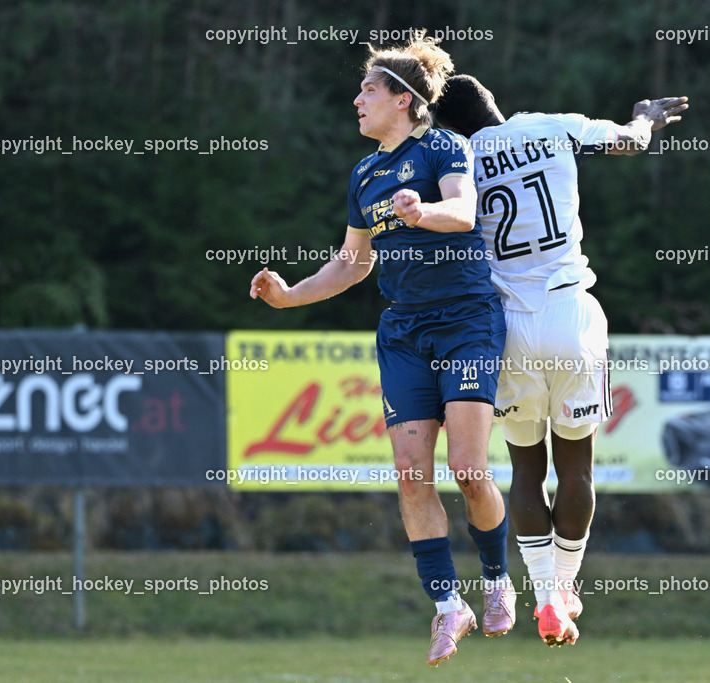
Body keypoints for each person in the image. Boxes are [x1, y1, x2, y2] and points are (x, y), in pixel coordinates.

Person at [249, 38, 516, 667]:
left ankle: (497, 579)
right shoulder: (364, 174)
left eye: (368, 89)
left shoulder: (443, 146)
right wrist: (288, 297)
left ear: (404, 99)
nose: (357, 99)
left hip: (466, 320)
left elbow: (465, 212)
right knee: (409, 472)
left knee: (469, 470)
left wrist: (423, 212)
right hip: (404, 332)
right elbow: (352, 263)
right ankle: (448, 605)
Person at [432, 76, 687, 646]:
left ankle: (544, 590)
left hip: (506, 326)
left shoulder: (455, 163)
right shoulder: (550, 127)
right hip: (570, 312)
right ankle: (562, 592)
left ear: (449, 126)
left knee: (526, 470)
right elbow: (630, 142)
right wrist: (645, 116)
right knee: (577, 468)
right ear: (493, 102)